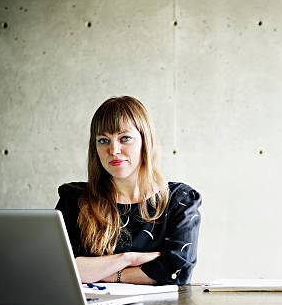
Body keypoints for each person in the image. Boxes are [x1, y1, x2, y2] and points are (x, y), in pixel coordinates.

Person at [55, 96, 201, 285]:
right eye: (103, 140)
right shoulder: (75, 200)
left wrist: (106, 275)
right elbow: (59, 268)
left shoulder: (179, 200)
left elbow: (177, 270)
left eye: (125, 138)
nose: (113, 150)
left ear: (145, 141)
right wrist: (127, 259)